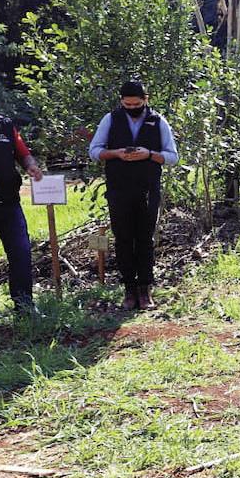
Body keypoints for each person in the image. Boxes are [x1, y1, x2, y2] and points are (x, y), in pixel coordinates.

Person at [88, 80, 178, 311]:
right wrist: (116, 153)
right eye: (127, 105)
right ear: (121, 101)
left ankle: (145, 290)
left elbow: (173, 157)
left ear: (145, 100)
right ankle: (129, 290)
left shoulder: (158, 121)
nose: (131, 108)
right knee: (123, 239)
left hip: (148, 189)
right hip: (118, 189)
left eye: (136, 104)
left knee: (145, 239)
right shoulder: (110, 119)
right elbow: (94, 151)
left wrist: (149, 154)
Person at [0, 79, 44, 339]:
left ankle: (24, 307)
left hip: (9, 204)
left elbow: (22, 152)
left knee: (21, 255)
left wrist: (31, 165)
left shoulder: (5, 124)